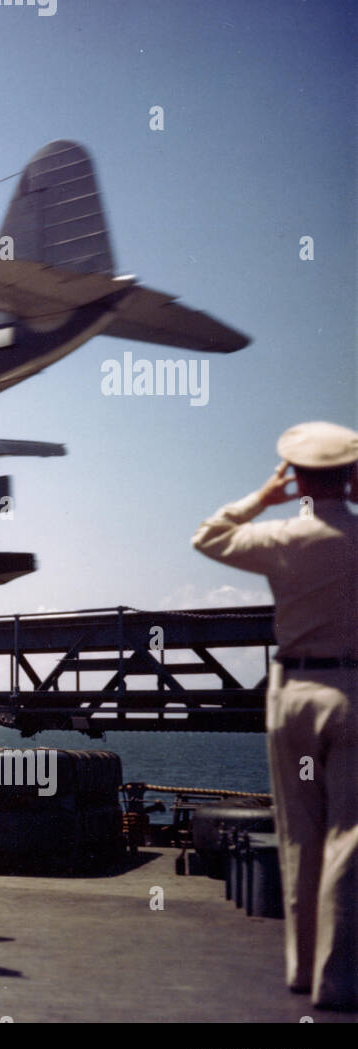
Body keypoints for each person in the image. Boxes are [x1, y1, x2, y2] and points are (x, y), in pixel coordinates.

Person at [191, 420, 358, 1011]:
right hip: (353, 694)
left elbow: (208, 537)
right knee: (348, 837)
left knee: (299, 833)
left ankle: (301, 968)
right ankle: (338, 979)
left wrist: (263, 498)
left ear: (298, 476)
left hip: (292, 695)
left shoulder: (283, 537)